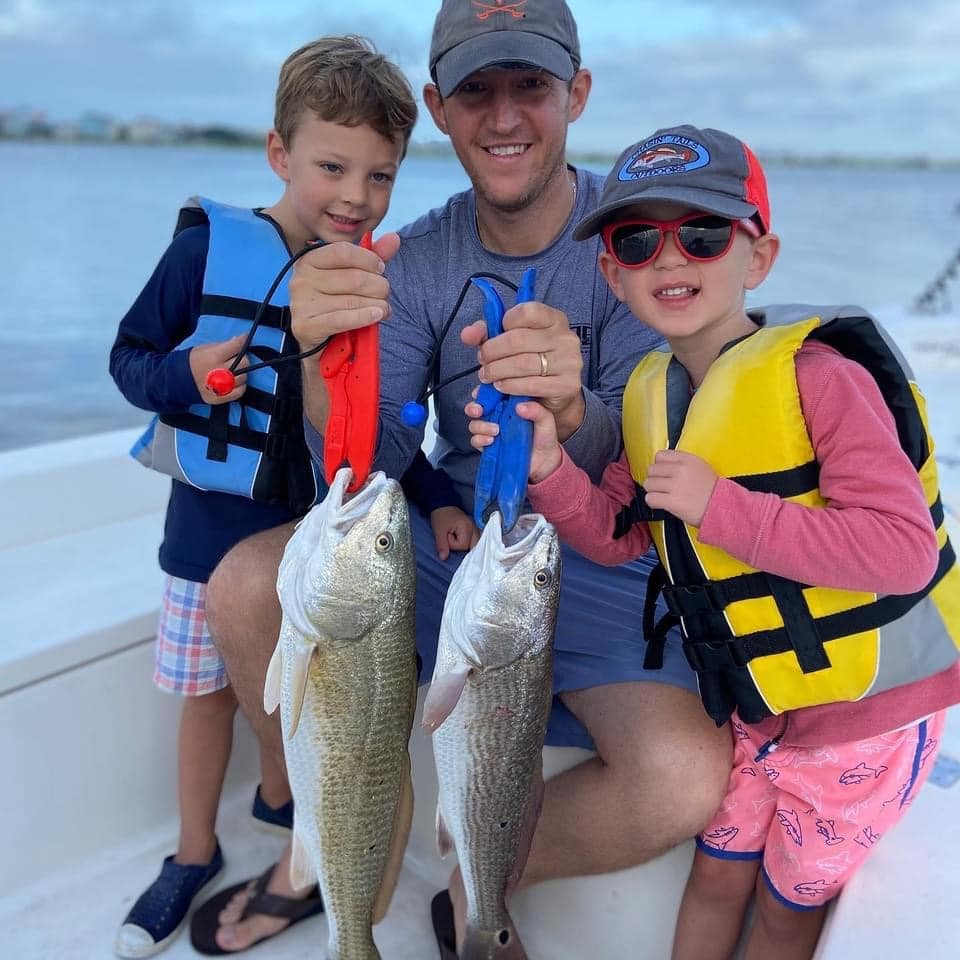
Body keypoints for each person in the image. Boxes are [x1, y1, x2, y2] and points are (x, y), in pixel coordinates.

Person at [191, 3, 733, 956]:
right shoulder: (423, 259)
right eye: (477, 90)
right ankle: (319, 856)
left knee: (684, 778)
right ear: (440, 107)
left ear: (579, 93)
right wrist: (320, 358)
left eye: (531, 85)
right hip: (456, 545)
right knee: (243, 586)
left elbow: (666, 463)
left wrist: (575, 418)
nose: (505, 116)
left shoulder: (647, 244)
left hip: (602, 565)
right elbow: (367, 469)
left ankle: (478, 880)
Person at [487, 123, 960, 960]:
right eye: (639, 240)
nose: (672, 259)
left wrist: (723, 509)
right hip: (761, 711)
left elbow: (901, 551)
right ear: (613, 273)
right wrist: (552, 465)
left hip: (866, 721)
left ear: (760, 256)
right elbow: (615, 536)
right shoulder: (651, 395)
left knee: (782, 909)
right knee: (715, 877)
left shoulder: (825, 380)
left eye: (703, 234)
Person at [109, 35, 475, 958]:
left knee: (319, 704)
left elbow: (378, 426)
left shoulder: (369, 282)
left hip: (314, 548)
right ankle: (193, 851)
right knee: (205, 702)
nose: (355, 196)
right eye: (332, 166)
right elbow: (128, 361)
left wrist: (432, 492)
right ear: (280, 154)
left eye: (381, 176)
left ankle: (301, 836)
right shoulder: (204, 253)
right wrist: (190, 371)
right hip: (205, 541)